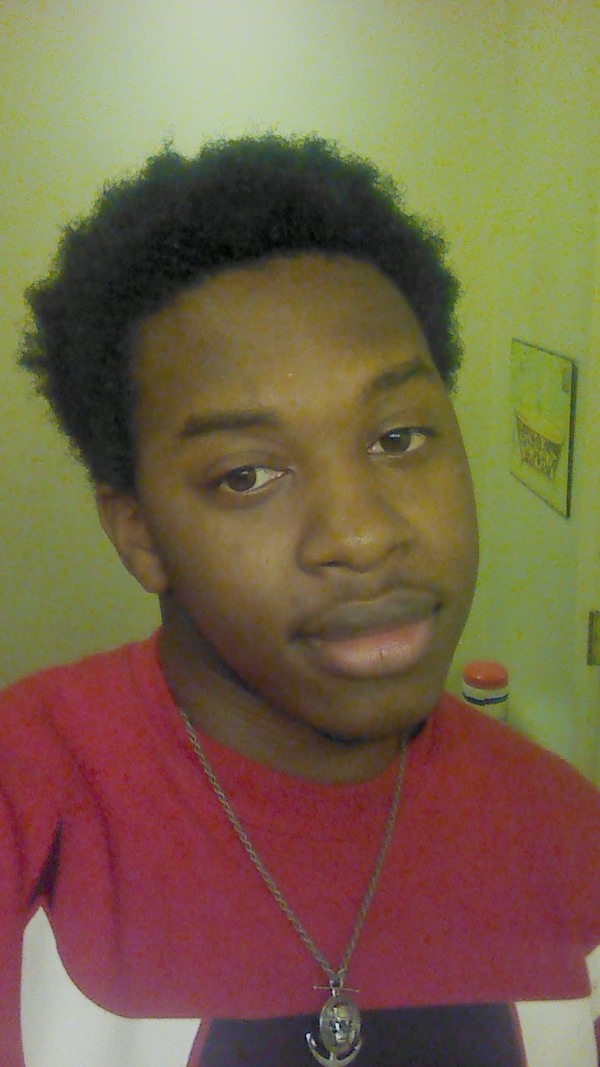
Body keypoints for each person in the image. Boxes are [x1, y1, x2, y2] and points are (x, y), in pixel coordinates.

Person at [2, 134, 598, 1067]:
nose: (362, 535)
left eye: (399, 437)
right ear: (140, 532)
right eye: (247, 474)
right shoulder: (31, 808)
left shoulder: (566, 836)